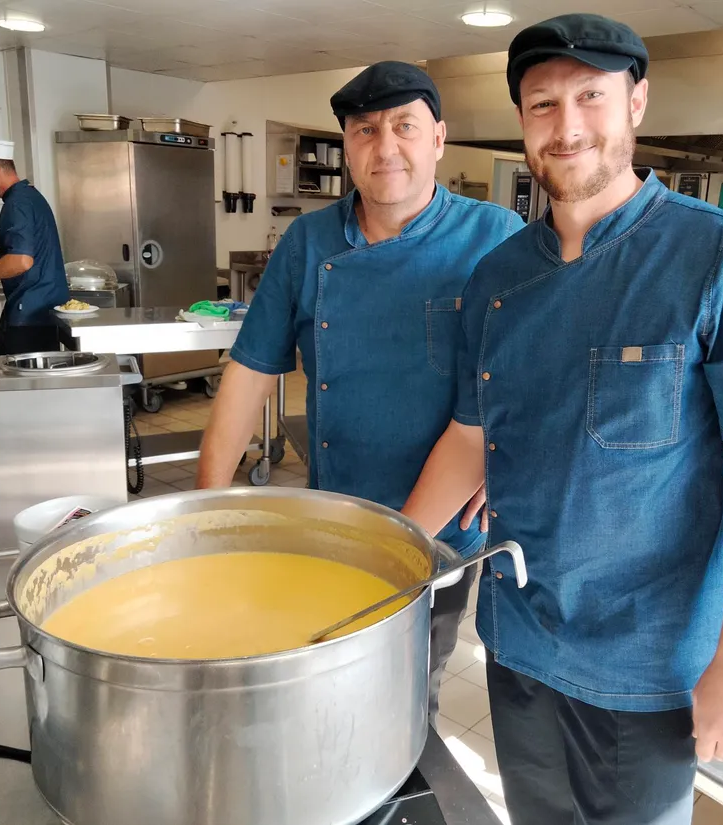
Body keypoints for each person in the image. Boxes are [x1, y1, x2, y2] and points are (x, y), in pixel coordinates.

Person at [401, 14, 723, 825]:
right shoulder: (497, 278)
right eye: (542, 105)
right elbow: (469, 439)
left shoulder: (722, 256)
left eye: (590, 96)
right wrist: (385, 564)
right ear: (523, 123)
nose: (567, 127)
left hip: (647, 666)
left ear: (636, 103)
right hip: (518, 645)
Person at [195, 62, 524, 720]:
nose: (386, 146)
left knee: (406, 697)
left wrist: (508, 451)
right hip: (334, 521)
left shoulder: (497, 239)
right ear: (347, 146)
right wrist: (203, 515)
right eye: (365, 130)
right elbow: (251, 369)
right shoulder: (309, 241)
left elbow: (540, 374)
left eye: (405, 126)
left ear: (438, 139)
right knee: (325, 679)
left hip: (438, 534)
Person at [0, 139, 68, 355]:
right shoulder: (28, 195)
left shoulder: (16, 204)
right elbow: (36, 238)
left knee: (23, 382)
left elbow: (21, 261)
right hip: (42, 308)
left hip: (31, 312)